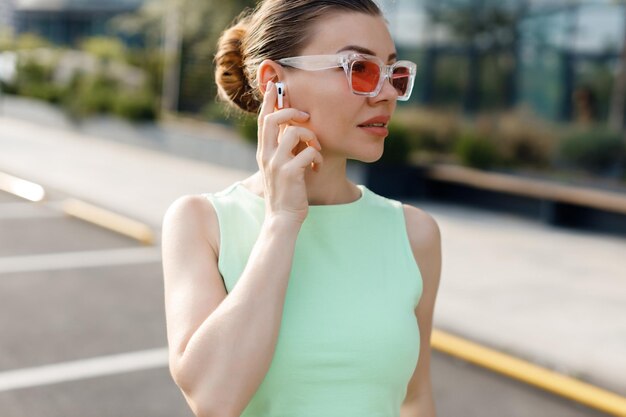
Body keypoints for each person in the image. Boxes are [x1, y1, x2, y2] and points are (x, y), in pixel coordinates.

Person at [161, 1, 442, 416]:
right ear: (275, 82)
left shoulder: (415, 233)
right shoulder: (200, 223)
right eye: (359, 70)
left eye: (392, 73)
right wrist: (281, 222)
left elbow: (415, 399)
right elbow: (213, 400)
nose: (386, 93)